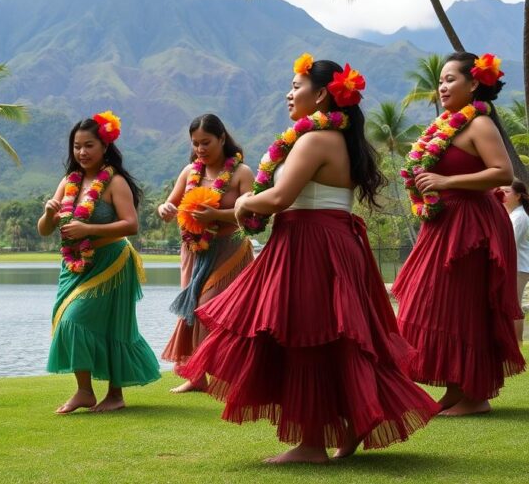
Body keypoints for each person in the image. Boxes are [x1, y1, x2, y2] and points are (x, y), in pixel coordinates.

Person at [182, 55, 439, 464]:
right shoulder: (338, 138)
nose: (289, 93)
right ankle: (349, 426)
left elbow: (281, 198)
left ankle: (311, 443)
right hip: (332, 241)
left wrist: (243, 202)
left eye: (296, 86)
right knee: (331, 335)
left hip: (310, 243)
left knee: (306, 335)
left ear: (321, 95)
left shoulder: (314, 140)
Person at [394, 52, 525, 416]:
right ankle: (459, 388)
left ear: (474, 84)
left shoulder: (479, 125)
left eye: (451, 79)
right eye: (441, 80)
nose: (443, 86)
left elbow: (501, 172)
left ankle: (473, 394)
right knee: (431, 300)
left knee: (459, 304)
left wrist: (446, 180)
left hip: (471, 226)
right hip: (443, 222)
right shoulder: (445, 125)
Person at [39, 111, 161, 414]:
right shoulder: (68, 182)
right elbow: (45, 230)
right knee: (65, 320)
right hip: (74, 264)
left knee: (98, 324)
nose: (82, 152)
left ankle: (115, 394)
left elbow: (131, 225)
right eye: (77, 146)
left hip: (111, 262)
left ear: (104, 146)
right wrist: (48, 213)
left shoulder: (114, 182)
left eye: (89, 145)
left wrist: (88, 229)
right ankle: (84, 391)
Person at [157, 114, 254, 393]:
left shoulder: (241, 173)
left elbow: (251, 217)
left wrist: (217, 214)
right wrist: (164, 209)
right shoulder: (190, 172)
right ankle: (197, 376)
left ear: (222, 138)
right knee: (194, 310)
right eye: (195, 143)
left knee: (216, 309)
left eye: (206, 142)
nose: (200, 148)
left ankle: (229, 374)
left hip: (229, 250)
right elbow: (170, 204)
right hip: (194, 250)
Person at [501, 179, 529, 343]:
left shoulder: (519, 217)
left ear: (518, 196)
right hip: (517, 266)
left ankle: (517, 341)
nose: (502, 194)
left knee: (515, 304)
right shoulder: (514, 215)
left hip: (519, 267)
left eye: (506, 191)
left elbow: (509, 244)